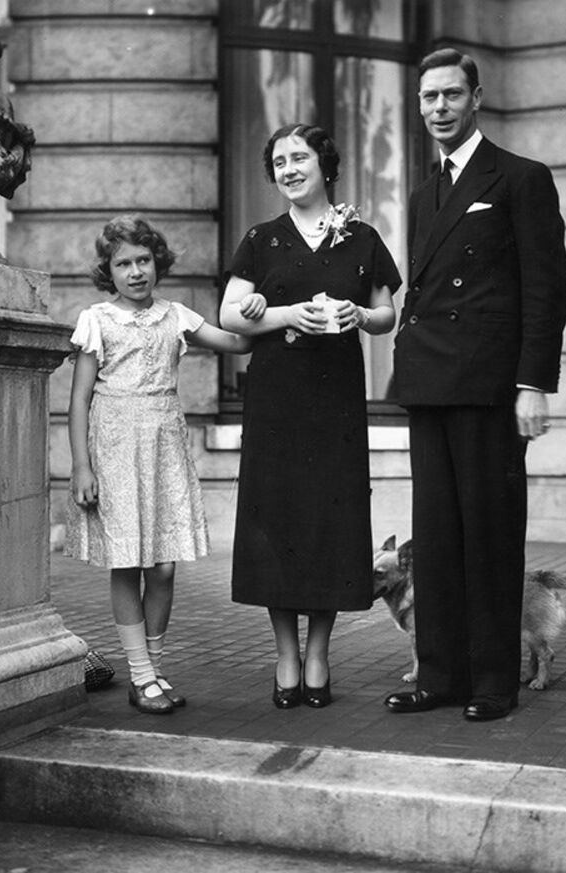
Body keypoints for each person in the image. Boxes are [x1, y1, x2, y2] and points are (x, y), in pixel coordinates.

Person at [386, 49, 566, 722]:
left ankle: (494, 680)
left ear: (477, 98)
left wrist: (533, 384)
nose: (438, 108)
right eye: (428, 97)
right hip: (431, 380)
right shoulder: (422, 189)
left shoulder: (520, 178)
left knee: (490, 535)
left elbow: (547, 290)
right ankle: (439, 673)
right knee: (434, 537)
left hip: (492, 386)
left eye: (450, 95)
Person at [220, 123, 401, 709]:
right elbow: (230, 316)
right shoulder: (262, 239)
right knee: (280, 520)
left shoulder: (362, 237)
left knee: (330, 522)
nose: (289, 169)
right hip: (277, 402)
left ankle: (320, 653)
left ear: (326, 164)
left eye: (300, 157)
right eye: (279, 161)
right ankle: (285, 655)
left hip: (336, 402)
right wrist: (281, 312)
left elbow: (385, 315)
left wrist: (358, 316)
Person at [64, 214, 251, 714]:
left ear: (157, 262)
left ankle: (154, 670)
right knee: (128, 562)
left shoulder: (176, 316)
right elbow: (79, 400)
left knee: (163, 566)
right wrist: (82, 467)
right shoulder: (97, 320)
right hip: (115, 448)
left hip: (164, 445)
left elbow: (239, 341)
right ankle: (141, 675)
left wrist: (254, 303)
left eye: (143, 260)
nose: (135, 271)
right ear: (109, 271)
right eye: (123, 263)